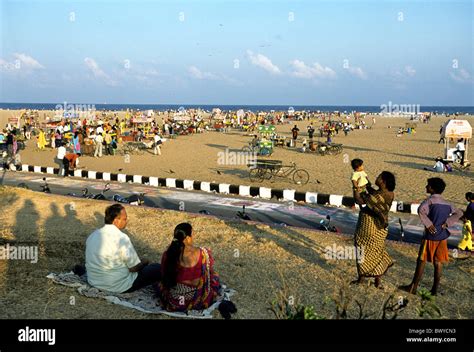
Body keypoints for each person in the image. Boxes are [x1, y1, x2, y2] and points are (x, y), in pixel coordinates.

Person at [399, 178, 463, 295]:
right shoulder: (447, 204)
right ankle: (434, 290)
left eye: (427, 185)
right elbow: (459, 213)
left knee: (421, 260)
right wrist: (448, 222)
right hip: (442, 236)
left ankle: (413, 287)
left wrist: (428, 224)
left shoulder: (430, 201)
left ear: (432, 189)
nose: (426, 187)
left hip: (430, 236)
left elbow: (420, 210)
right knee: (438, 263)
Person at [85, 204, 161, 293]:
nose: (126, 221)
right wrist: (144, 262)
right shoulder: (121, 238)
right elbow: (133, 268)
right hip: (117, 286)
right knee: (157, 268)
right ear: (116, 220)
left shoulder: (93, 235)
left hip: (94, 282)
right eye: (124, 219)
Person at [156, 222, 221, 312]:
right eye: (192, 234)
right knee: (215, 277)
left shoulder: (168, 254)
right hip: (198, 298)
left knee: (159, 284)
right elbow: (209, 273)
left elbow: (164, 274)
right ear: (187, 238)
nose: (193, 237)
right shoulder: (203, 253)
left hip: (175, 299)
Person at [352, 171, 396, 289]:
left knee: (362, 249)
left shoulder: (377, 196)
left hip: (369, 225)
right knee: (377, 251)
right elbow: (373, 193)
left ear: (383, 181)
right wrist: (367, 184)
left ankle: (361, 278)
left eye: (379, 177)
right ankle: (377, 281)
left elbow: (360, 200)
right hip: (381, 227)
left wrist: (355, 188)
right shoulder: (389, 194)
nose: (377, 178)